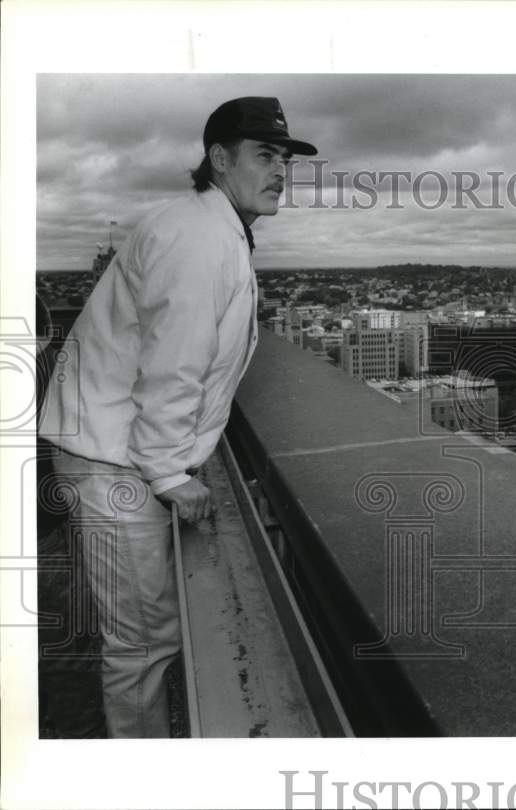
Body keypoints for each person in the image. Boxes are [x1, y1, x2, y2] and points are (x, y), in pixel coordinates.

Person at [37, 97, 317, 738]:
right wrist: (168, 472)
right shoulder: (198, 238)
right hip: (113, 462)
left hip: (114, 449)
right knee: (141, 643)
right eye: (264, 155)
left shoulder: (208, 227)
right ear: (219, 158)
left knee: (147, 633)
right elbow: (174, 365)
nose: (281, 171)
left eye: (285, 159)